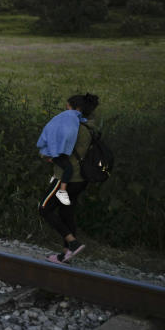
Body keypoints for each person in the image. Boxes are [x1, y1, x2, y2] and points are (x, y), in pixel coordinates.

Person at [38, 93, 100, 264]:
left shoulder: (73, 128)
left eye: (67, 107)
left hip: (65, 178)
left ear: (76, 109)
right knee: (67, 213)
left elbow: (57, 149)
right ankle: (66, 254)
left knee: (44, 208)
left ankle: (73, 243)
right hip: (81, 179)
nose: (65, 110)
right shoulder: (90, 128)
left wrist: (47, 156)